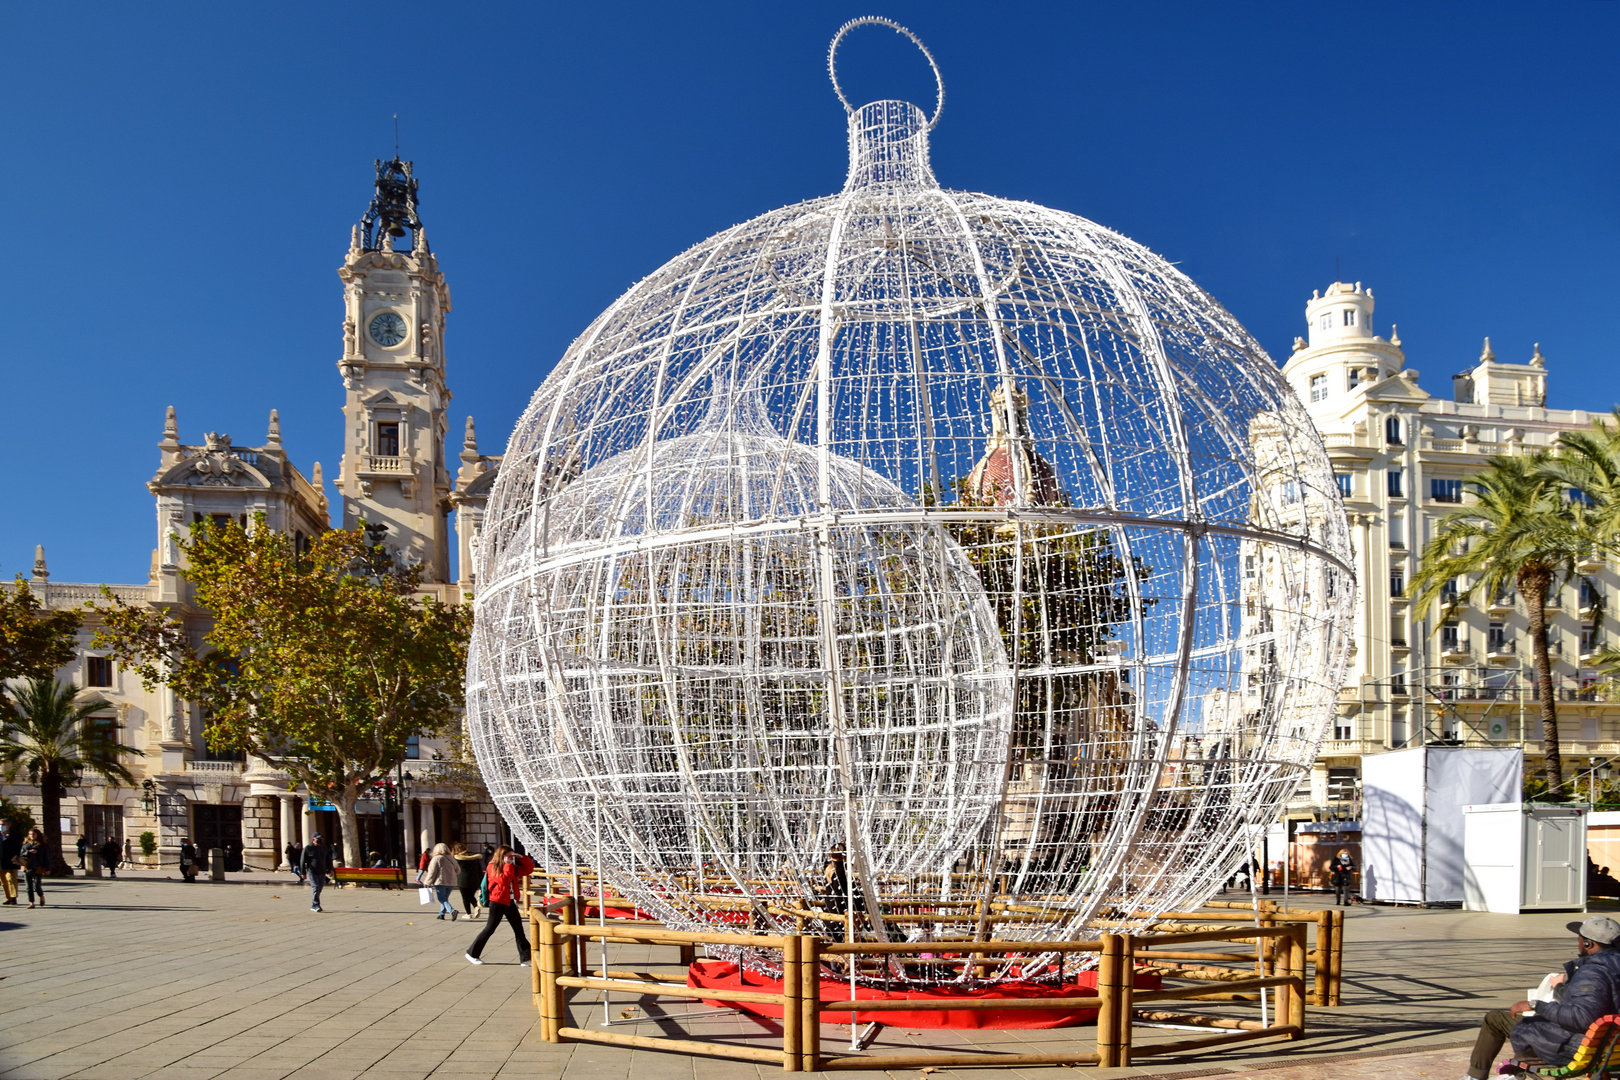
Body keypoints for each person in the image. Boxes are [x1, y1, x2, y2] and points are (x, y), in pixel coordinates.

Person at [1464, 915, 1620, 1080]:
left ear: (1589, 944)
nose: (1578, 943)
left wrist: (1536, 1004)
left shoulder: (1592, 973)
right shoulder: (1612, 967)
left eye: (1580, 940)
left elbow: (1580, 1017)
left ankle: (1475, 1077)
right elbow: (1595, 1001)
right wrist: (1560, 987)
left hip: (1572, 1046)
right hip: (1607, 1047)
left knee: (1495, 1019)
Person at [465, 845, 535, 964]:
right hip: (497, 901)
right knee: (490, 929)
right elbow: (504, 880)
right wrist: (507, 864)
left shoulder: (511, 867)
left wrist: (522, 857)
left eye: (511, 856)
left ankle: (526, 958)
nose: (510, 859)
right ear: (501, 856)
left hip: (510, 901)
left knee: (519, 929)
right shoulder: (493, 866)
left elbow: (528, 870)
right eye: (508, 856)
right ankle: (472, 953)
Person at [423, 843, 459, 920]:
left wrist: (427, 882)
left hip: (440, 881)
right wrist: (451, 874)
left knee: (441, 898)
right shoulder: (451, 858)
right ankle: (441, 914)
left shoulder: (436, 858)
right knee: (445, 898)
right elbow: (458, 870)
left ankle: (452, 911)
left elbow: (432, 872)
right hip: (451, 882)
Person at [301, 833, 333, 913]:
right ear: (313, 839)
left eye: (321, 839)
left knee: (319, 888)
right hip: (312, 871)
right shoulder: (308, 848)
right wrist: (303, 872)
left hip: (322, 872)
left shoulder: (324, 848)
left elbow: (328, 859)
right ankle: (316, 905)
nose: (320, 841)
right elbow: (302, 861)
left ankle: (314, 904)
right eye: (318, 839)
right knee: (315, 887)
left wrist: (330, 869)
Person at [452, 842, 484, 919]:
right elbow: (479, 870)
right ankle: (476, 907)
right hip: (475, 880)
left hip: (463, 880)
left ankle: (468, 913)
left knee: (465, 897)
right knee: (470, 896)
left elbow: (454, 870)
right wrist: (481, 881)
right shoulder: (474, 857)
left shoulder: (457, 859)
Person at [19, 828, 48, 908]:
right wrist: (28, 852)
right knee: (28, 886)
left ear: (37, 835)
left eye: (33, 834)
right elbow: (21, 854)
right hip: (27, 866)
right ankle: (31, 902)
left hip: (38, 867)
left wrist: (47, 868)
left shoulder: (42, 845)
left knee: (37, 886)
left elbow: (46, 857)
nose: (32, 836)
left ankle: (41, 896)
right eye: (30, 834)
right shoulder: (26, 844)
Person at [0, 820, 20, 905]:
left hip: (11, 862)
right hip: (1, 862)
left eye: (2, 825)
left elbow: (19, 848)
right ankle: (8, 898)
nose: (1, 826)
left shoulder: (15, 836)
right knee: (3, 882)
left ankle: (13, 897)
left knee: (11, 879)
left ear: (8, 826)